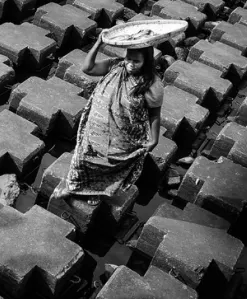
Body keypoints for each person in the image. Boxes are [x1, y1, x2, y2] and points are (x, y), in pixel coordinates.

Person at [51, 31, 163, 206]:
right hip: (96, 128)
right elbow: (87, 68)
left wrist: (154, 139)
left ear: (146, 61)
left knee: (109, 165)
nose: (131, 65)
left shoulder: (152, 84)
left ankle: (95, 190)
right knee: (83, 157)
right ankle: (72, 185)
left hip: (123, 135)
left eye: (136, 61)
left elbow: (154, 113)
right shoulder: (115, 66)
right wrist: (98, 44)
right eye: (129, 59)